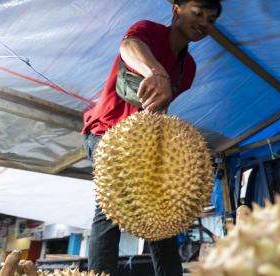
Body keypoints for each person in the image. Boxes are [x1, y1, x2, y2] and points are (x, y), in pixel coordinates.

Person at [81, 1, 222, 275]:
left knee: (163, 218)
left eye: (211, 19)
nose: (204, 22)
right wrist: (156, 72)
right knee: (108, 213)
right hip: (105, 131)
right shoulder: (148, 32)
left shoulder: (188, 69)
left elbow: (159, 106)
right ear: (176, 8)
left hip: (145, 144)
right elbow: (129, 47)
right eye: (198, 13)